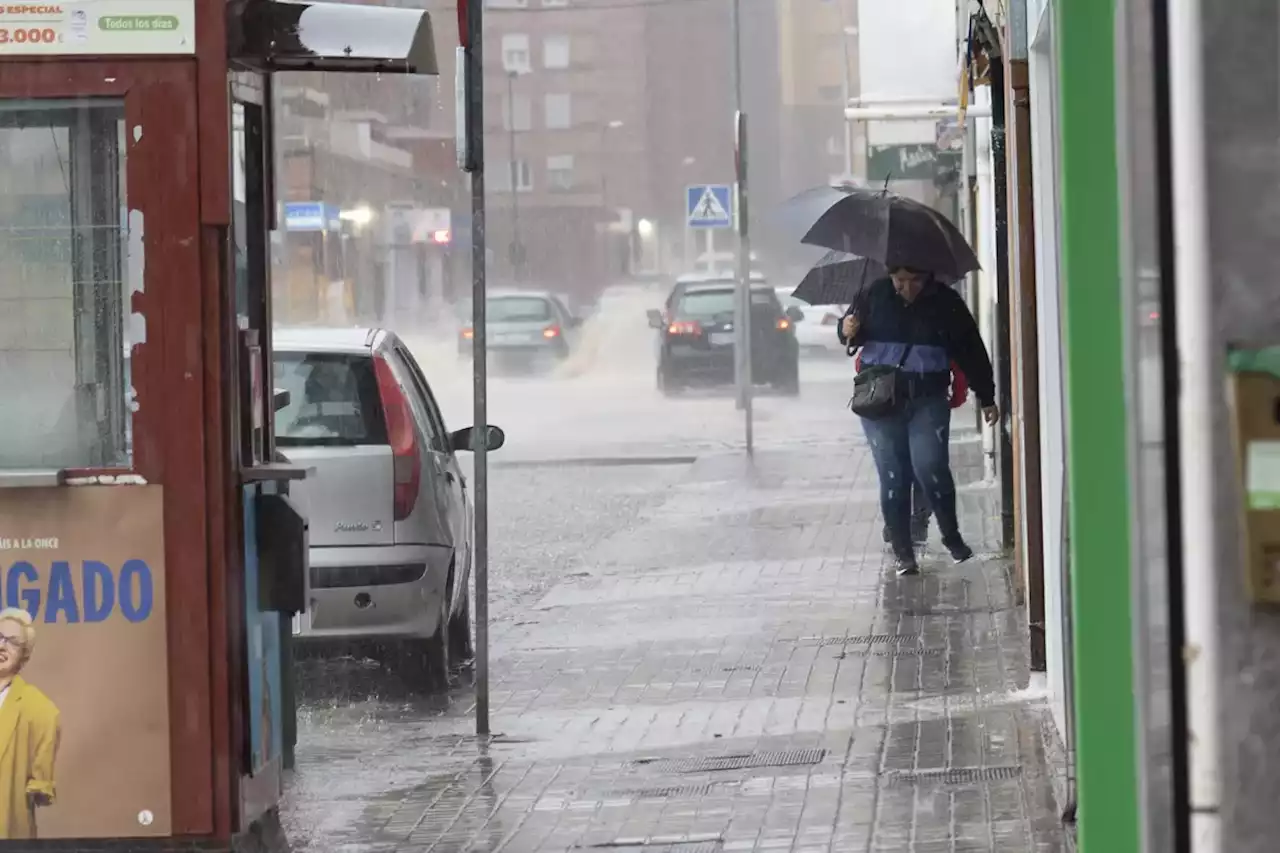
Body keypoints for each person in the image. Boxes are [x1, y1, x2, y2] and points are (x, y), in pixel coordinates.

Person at [840, 266, 998, 575]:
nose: (907, 288)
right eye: (900, 281)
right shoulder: (873, 294)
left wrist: (986, 395)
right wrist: (846, 328)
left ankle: (952, 537)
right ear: (890, 276)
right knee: (893, 475)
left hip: (928, 399)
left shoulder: (946, 303)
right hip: (880, 401)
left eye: (914, 281)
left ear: (927, 276)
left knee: (930, 466)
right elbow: (849, 334)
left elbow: (971, 349)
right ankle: (903, 552)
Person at [854, 350, 970, 546]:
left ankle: (904, 522)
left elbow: (861, 364)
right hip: (912, 399)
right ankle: (912, 520)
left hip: (898, 398)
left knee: (909, 466)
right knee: (917, 465)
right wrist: (957, 393)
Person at [0, 608, 60, 838]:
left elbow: (41, 785)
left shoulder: (39, 708)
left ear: (24, 655)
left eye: (12, 642)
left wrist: (40, 785)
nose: (2, 646)